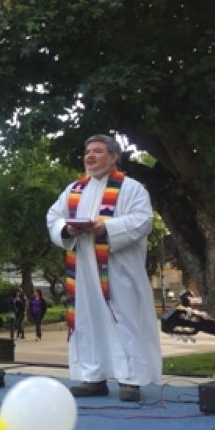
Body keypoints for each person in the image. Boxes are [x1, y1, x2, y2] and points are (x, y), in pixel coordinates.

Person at [47, 134, 162, 403]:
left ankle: (130, 380)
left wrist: (106, 227)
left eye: (97, 151)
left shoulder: (131, 189)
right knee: (88, 320)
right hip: (85, 271)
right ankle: (93, 377)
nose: (90, 156)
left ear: (113, 157)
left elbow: (142, 220)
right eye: (87, 151)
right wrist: (68, 228)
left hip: (119, 270)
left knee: (124, 319)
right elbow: (54, 217)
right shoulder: (74, 189)